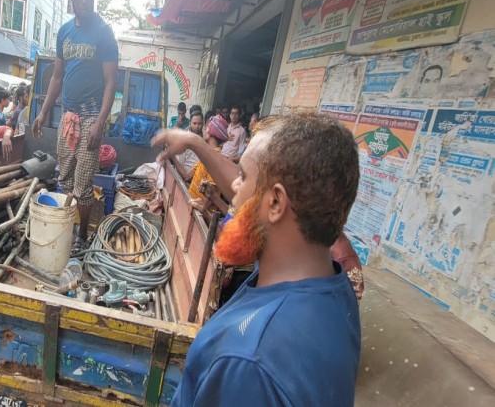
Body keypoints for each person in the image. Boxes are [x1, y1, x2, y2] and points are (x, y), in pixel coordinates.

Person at [153, 112, 361, 406]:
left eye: (242, 177)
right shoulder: (329, 285)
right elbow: (251, 197)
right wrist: (194, 142)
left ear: (275, 203)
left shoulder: (249, 360)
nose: (232, 190)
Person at [31, 0, 118, 254]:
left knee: (83, 185)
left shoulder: (104, 33)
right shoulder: (64, 32)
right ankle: (65, 227)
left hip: (92, 117)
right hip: (68, 117)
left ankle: (81, 237)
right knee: (64, 179)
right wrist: (43, 113)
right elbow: (57, 77)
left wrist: (100, 123)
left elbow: (110, 83)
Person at [173, 110, 204, 177]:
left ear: (202, 124)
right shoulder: (184, 139)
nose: (197, 126)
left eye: (199, 123)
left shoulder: (203, 139)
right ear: (190, 123)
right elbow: (179, 163)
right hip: (183, 177)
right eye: (194, 123)